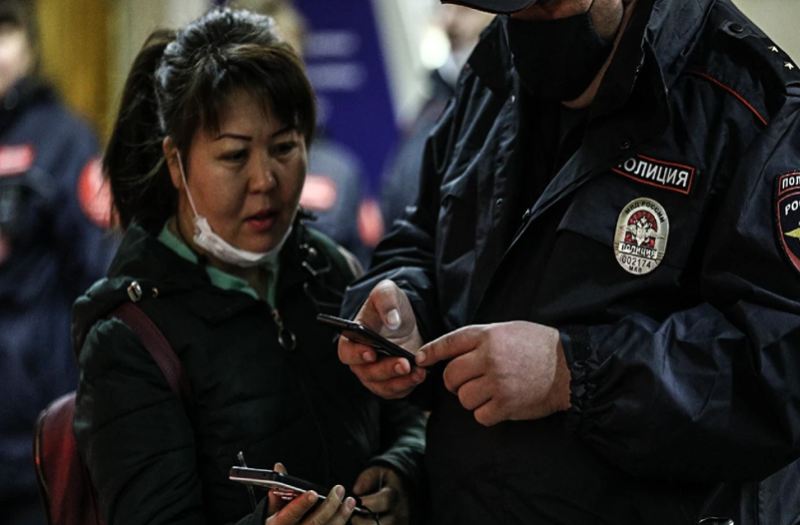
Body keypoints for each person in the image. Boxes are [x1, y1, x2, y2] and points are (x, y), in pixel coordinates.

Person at [337, 0, 800, 523]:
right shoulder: (492, 71)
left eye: (545, 1)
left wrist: (571, 373)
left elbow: (779, 370)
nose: (525, 21)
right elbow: (422, 233)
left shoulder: (752, 102)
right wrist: (404, 307)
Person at [72, 8, 425, 525]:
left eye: (284, 147)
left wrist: (401, 472)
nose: (266, 179)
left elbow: (407, 415)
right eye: (235, 156)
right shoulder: (132, 335)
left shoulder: (334, 271)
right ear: (176, 162)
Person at [0, 1, 116, 523]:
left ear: (29, 43)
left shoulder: (66, 140)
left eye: (4, 33)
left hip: (35, 433)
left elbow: (100, 282)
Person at [380, 4, 492, 230]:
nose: (449, 21)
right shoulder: (429, 107)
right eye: (445, 8)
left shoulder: (511, 104)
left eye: (465, 9)